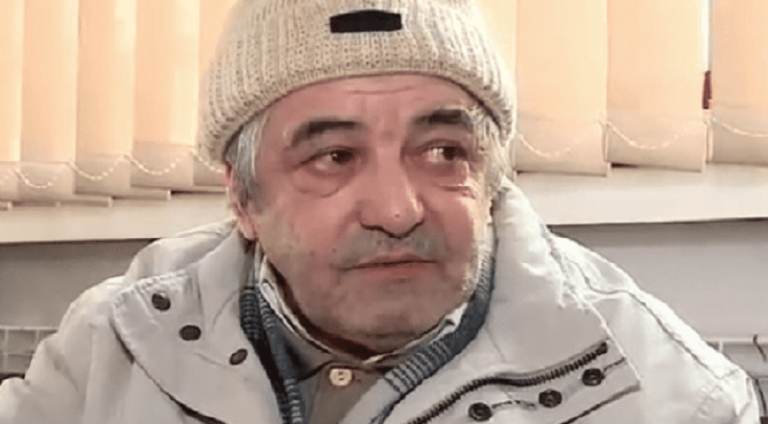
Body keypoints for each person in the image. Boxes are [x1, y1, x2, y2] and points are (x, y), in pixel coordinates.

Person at [0, 0, 759, 423]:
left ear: (491, 174)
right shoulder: (108, 352)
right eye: (334, 157)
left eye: (443, 152)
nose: (398, 210)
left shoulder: (668, 396)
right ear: (242, 196)